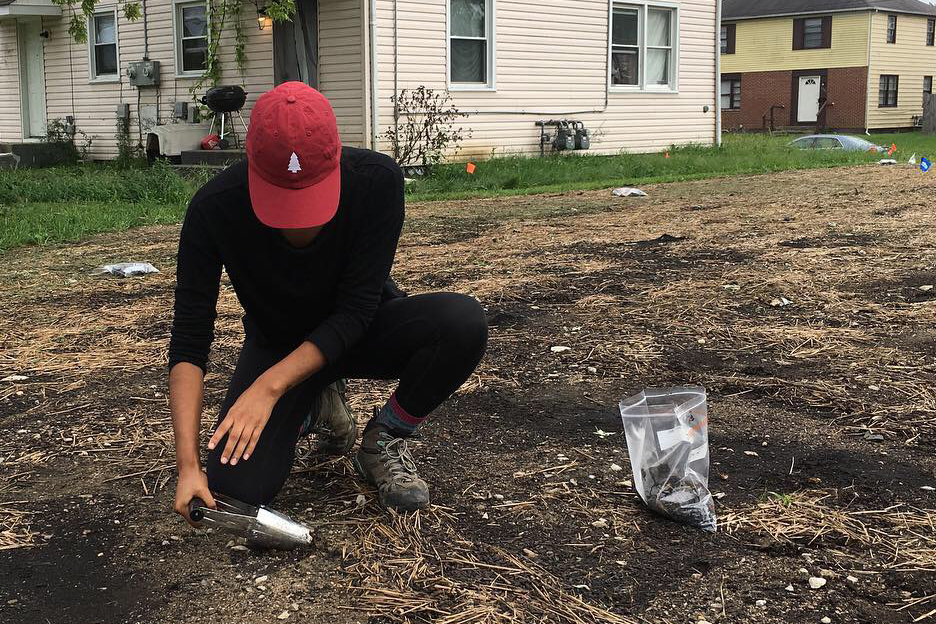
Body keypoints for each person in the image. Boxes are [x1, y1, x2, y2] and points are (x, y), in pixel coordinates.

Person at [169, 82, 487, 525]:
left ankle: (385, 437)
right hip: (280, 343)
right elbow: (189, 337)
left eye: (310, 201)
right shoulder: (213, 209)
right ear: (252, 165)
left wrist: (268, 388)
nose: (299, 223)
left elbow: (356, 310)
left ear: (336, 160)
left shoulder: (377, 182)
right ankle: (315, 401)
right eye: (283, 204)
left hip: (361, 330)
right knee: (235, 488)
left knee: (462, 322)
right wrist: (188, 466)